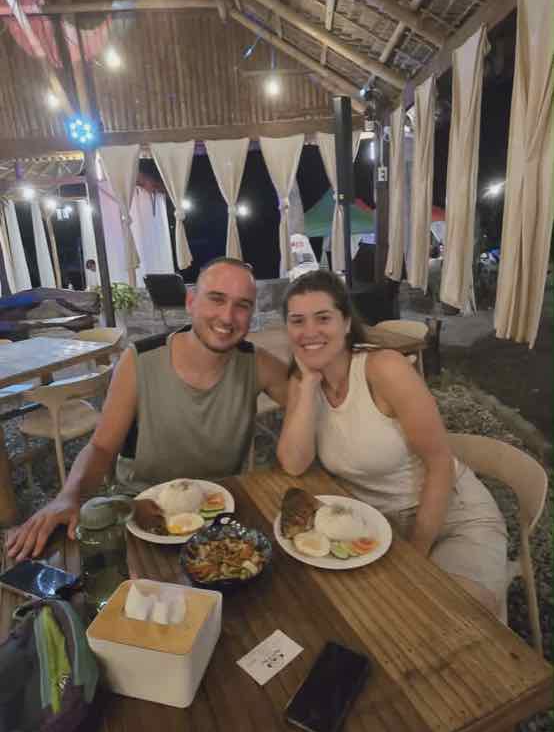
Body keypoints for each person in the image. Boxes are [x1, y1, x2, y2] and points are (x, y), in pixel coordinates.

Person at [8, 258, 288, 560]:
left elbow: (317, 403)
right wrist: (68, 496)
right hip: (142, 515)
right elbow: (102, 447)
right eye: (216, 299)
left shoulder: (258, 364)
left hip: (219, 515)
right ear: (191, 301)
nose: (228, 316)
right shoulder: (139, 361)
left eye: (242, 305)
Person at [276, 270, 508, 618]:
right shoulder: (302, 381)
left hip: (450, 516)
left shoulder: (384, 369)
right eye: (297, 321)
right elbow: (294, 464)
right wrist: (308, 383)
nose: (309, 331)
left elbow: (440, 464)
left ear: (345, 322)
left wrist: (415, 556)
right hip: (373, 524)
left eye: (322, 318)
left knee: (456, 617)